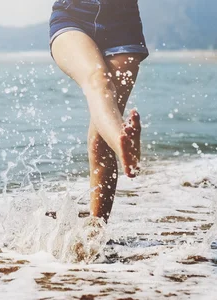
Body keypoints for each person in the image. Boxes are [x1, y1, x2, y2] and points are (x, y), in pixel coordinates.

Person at [49, 0, 148, 222]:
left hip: (124, 26)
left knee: (100, 140)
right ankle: (123, 145)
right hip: (72, 16)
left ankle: (96, 231)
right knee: (97, 79)